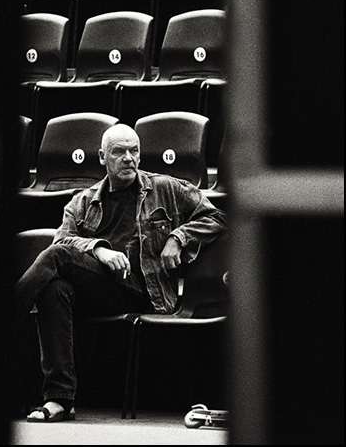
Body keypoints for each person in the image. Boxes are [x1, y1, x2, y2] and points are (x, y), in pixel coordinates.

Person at [15, 123, 227, 422]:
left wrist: (178, 237)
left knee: (57, 258)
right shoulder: (82, 202)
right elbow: (61, 240)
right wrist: (99, 250)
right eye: (119, 152)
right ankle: (59, 399)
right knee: (54, 290)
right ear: (102, 157)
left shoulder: (165, 188)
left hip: (144, 290)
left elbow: (217, 216)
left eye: (134, 151)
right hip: (100, 291)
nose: (128, 158)